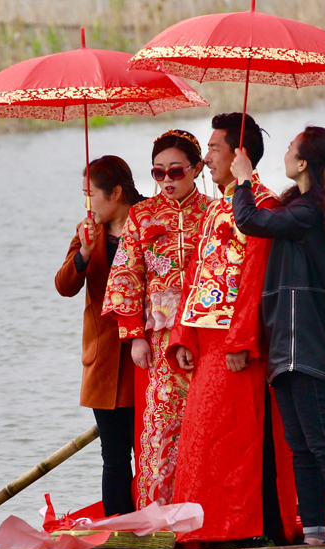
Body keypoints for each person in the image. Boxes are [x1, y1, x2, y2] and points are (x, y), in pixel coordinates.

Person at [231, 126, 325, 549]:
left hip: (307, 345)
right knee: (300, 445)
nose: (286, 154)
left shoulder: (311, 211)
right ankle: (313, 534)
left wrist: (244, 179)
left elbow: (249, 221)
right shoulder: (302, 208)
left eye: (290, 150)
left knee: (324, 443)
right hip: (286, 344)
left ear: (304, 163)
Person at [168, 113, 298, 546]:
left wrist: (243, 338)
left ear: (238, 154)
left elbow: (257, 278)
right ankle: (208, 526)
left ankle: (235, 528)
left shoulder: (262, 204)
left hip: (235, 340)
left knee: (232, 438)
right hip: (205, 338)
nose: (206, 158)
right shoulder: (216, 206)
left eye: (213, 149)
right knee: (204, 436)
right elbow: (195, 274)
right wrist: (182, 335)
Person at [102, 130, 210, 508]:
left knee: (205, 426)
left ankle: (206, 516)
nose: (166, 180)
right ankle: (160, 516)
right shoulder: (140, 216)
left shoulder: (214, 213)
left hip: (207, 339)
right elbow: (125, 277)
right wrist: (134, 336)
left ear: (196, 169)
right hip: (159, 344)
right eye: (158, 172)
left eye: (176, 171)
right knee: (161, 428)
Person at [55, 156, 144, 516]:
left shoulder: (150, 224)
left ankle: (160, 525)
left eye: (92, 194)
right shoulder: (88, 232)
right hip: (105, 360)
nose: (87, 204)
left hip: (145, 355)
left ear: (117, 192)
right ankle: (120, 531)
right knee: (115, 456)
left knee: (154, 451)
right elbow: (64, 286)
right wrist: (85, 252)